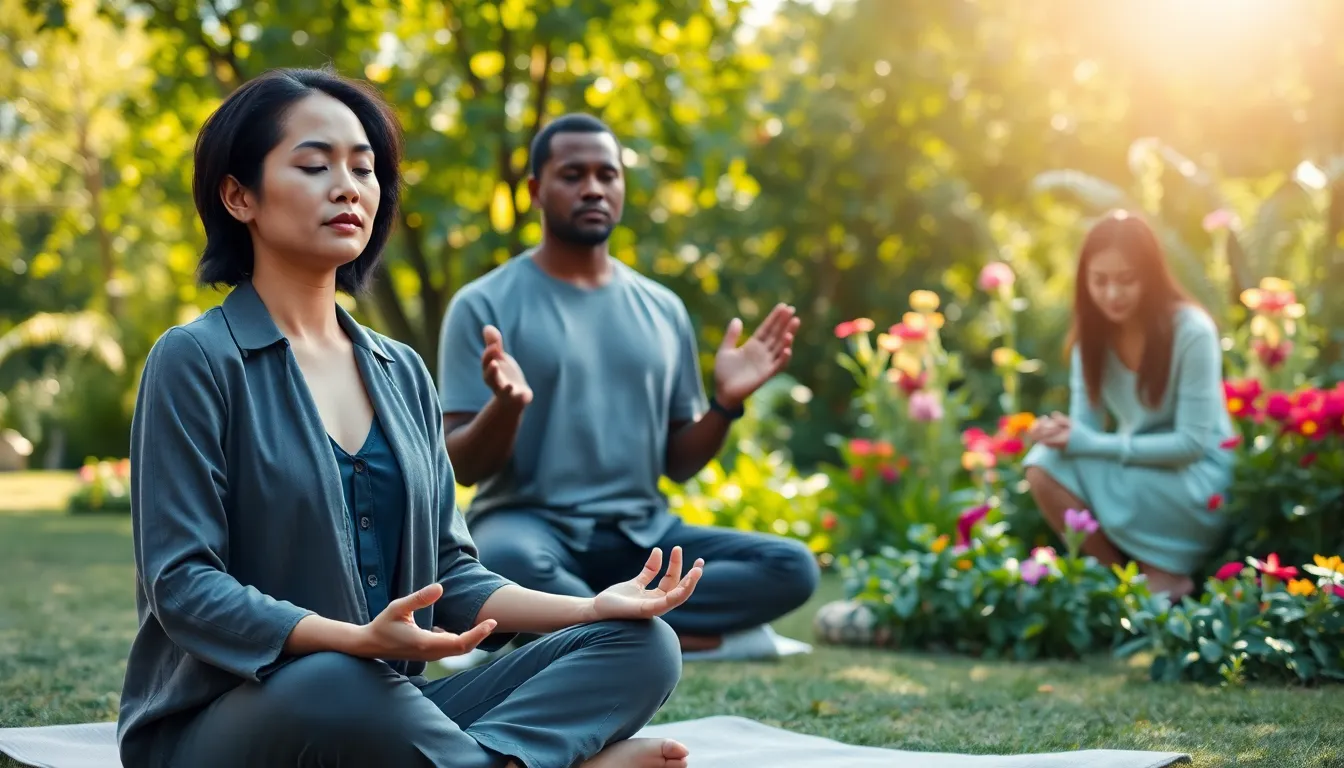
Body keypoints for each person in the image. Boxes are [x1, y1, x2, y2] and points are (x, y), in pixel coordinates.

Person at [117, 68, 708, 768]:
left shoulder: (400, 371)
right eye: (314, 165)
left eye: (363, 169)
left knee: (642, 644)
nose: (348, 187)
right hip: (233, 718)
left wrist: (588, 610)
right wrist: (353, 640)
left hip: (388, 711)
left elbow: (451, 574)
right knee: (334, 680)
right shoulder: (195, 360)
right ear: (238, 195)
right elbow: (183, 584)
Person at [436, 114, 820, 661]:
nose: (593, 188)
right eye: (573, 175)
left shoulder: (663, 309)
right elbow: (464, 466)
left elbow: (679, 463)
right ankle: (659, 632)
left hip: (644, 538)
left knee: (791, 566)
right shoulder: (484, 304)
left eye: (607, 174)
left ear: (622, 186)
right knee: (503, 563)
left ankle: (591, 627)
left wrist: (725, 404)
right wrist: (507, 406)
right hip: (530, 529)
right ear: (536, 191)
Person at [1023, 211, 1234, 599]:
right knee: (1043, 465)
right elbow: (1085, 433)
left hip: (1199, 480)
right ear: (1084, 281)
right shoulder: (1091, 340)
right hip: (1140, 469)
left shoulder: (1192, 331)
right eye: (1100, 281)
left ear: (1150, 277)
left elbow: (1190, 445)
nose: (1112, 294)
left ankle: (1160, 576)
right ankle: (1123, 584)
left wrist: (1089, 443)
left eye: (1126, 279)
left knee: (1061, 461)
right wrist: (1057, 434)